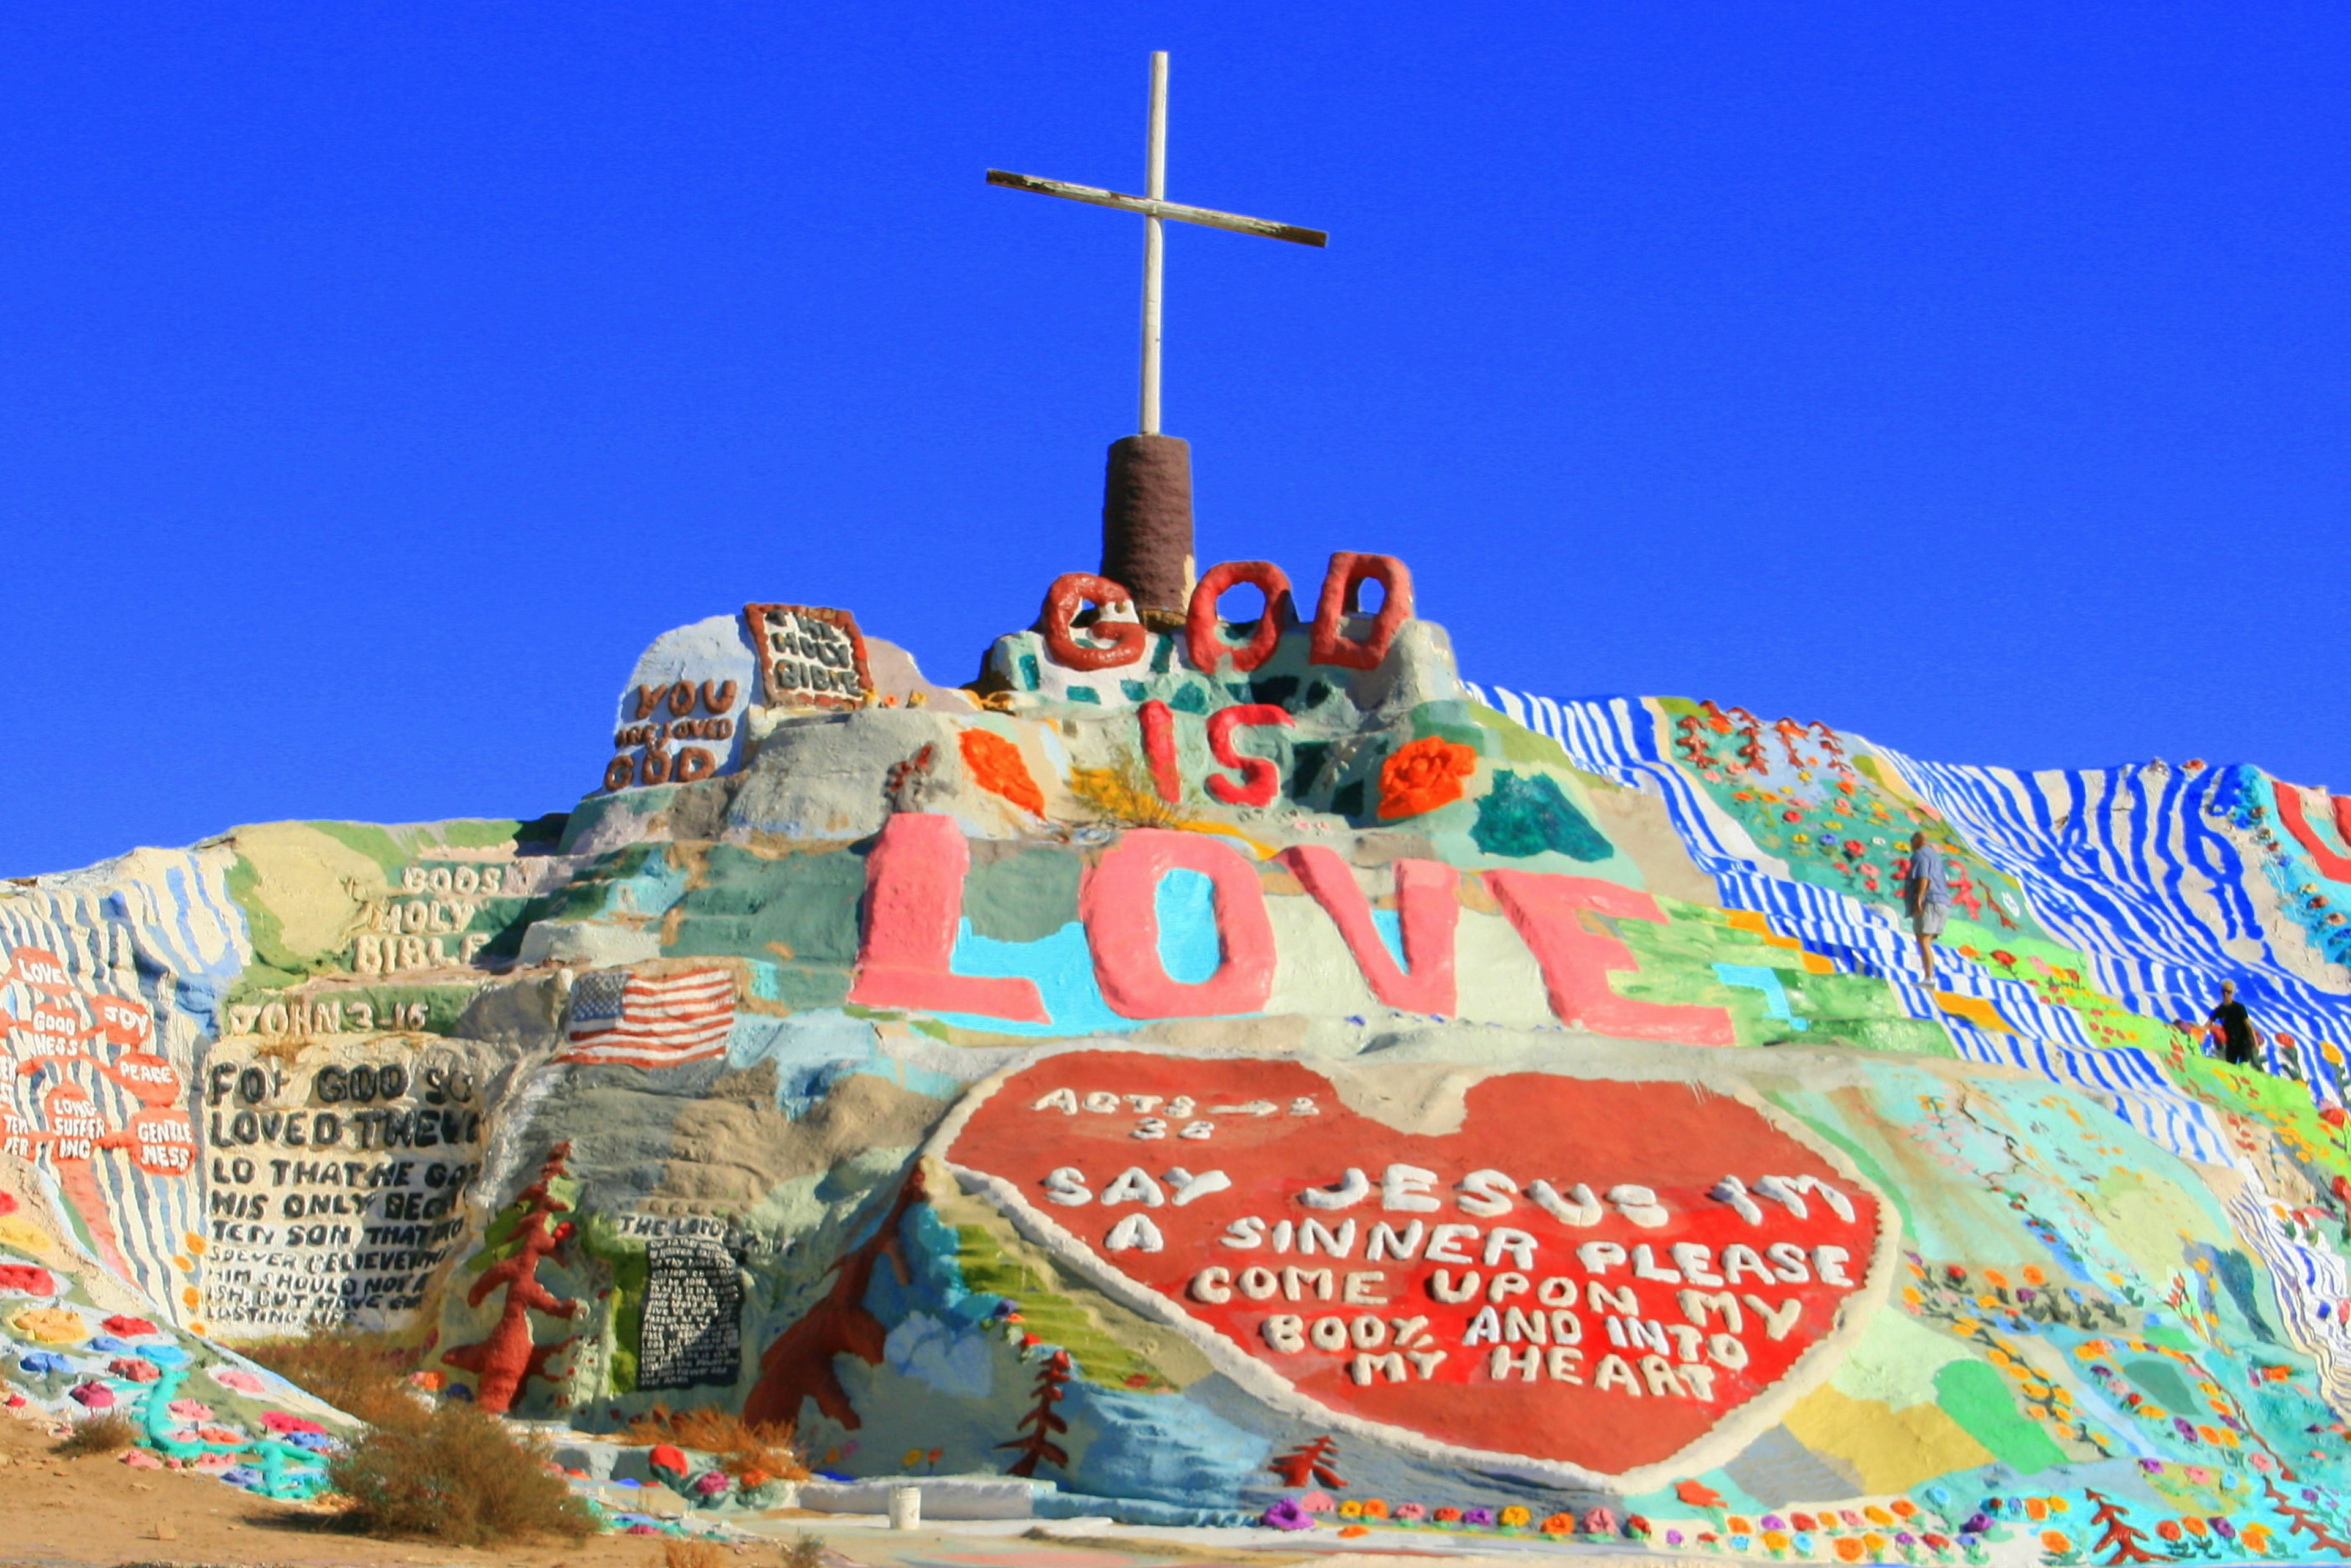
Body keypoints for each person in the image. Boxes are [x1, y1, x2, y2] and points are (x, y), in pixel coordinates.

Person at [1902, 830, 1951, 982]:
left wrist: (1919, 898)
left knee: (1923, 940)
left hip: (1930, 901)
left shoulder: (1921, 855)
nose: (1911, 847)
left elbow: (1924, 877)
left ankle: (1929, 977)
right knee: (1927, 940)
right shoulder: (1935, 857)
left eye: (1912, 842)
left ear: (1917, 840)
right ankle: (1929, 975)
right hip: (1943, 902)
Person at [2206, 980, 2262, 1068]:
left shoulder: (2239, 1008)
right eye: (2224, 991)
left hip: (2244, 1042)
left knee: (2244, 1066)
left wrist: (2255, 1042)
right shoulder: (2219, 1010)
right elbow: (2207, 1026)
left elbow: (2248, 1026)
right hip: (2231, 1044)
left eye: (2228, 992)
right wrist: (2192, 1026)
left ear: (2232, 993)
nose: (2226, 994)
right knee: (2230, 1068)